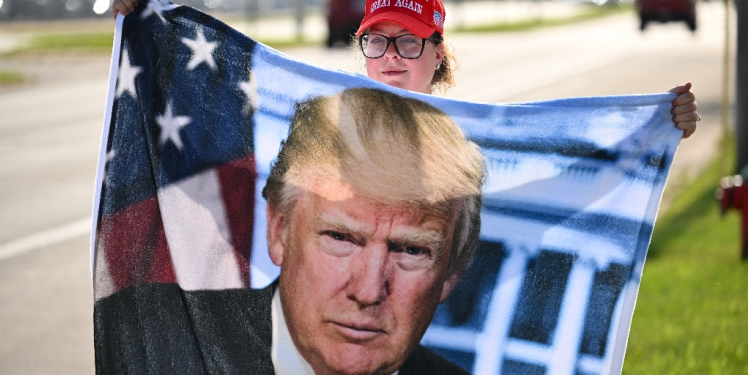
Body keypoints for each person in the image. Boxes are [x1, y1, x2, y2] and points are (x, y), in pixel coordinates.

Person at [94, 87, 485, 375]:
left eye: (411, 251)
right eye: (341, 238)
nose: (368, 291)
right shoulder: (155, 342)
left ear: (451, 274)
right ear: (280, 230)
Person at [111, 0, 699, 138]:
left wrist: (658, 123)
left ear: (437, 54)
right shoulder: (323, 125)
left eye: (409, 43)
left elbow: (573, 151)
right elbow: (220, 119)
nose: (391, 56)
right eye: (377, 42)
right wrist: (146, 22)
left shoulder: (468, 134)